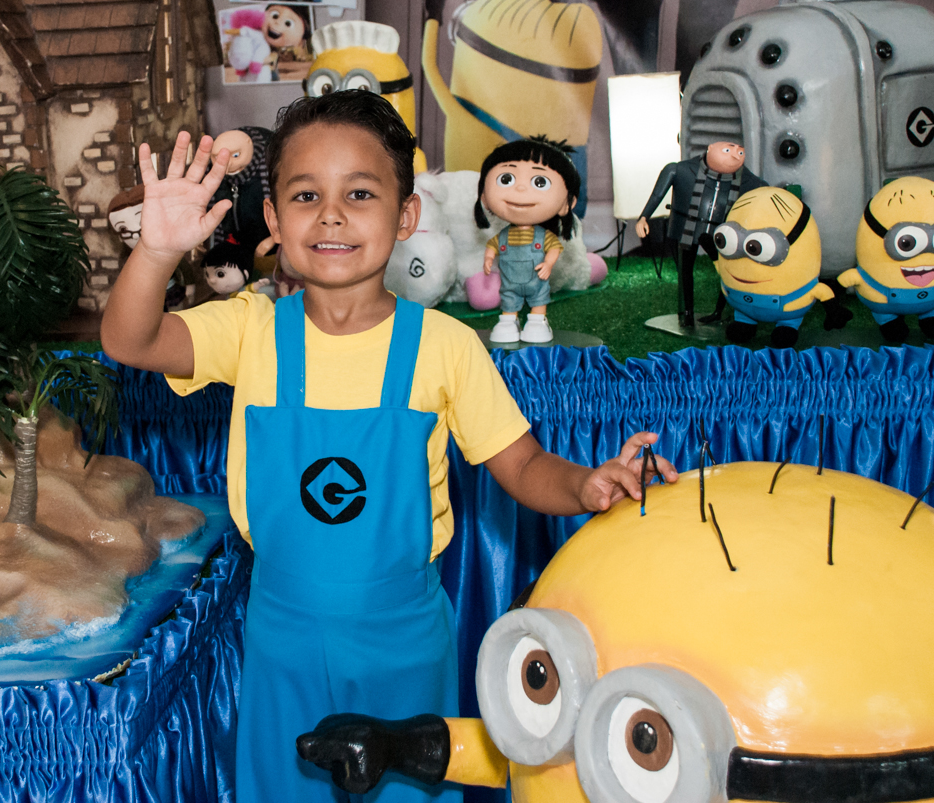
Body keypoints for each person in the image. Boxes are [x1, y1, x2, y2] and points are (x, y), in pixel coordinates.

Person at [100, 90, 677, 803]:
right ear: (274, 218)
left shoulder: (445, 346)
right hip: (282, 639)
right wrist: (158, 250)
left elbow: (523, 464)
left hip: (404, 643)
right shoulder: (250, 330)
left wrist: (586, 482)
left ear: (406, 216)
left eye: (361, 192)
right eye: (306, 194)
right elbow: (129, 340)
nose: (332, 214)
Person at [636, 141, 765, 327]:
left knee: (729, 271)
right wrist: (643, 217)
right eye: (728, 150)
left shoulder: (748, 180)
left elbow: (764, 191)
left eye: (740, 152)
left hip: (724, 232)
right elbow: (657, 195)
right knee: (684, 270)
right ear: (710, 148)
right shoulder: (679, 170)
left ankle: (720, 312)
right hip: (685, 228)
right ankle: (686, 313)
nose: (735, 155)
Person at [476, 137, 579, 344]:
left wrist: (548, 263)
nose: (521, 189)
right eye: (506, 179)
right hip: (510, 282)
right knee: (509, 298)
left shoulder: (544, 236)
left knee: (539, 299)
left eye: (539, 182)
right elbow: (492, 246)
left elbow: (554, 248)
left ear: (566, 203)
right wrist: (488, 259)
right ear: (484, 197)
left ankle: (537, 320)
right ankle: (508, 320)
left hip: (537, 279)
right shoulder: (502, 236)